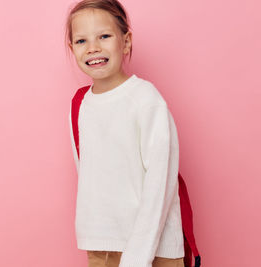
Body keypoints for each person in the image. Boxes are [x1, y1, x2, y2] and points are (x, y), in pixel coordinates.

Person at [66, 1, 185, 266]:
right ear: (72, 49)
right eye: (82, 40)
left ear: (126, 41)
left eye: (104, 36)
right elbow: (88, 176)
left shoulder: (145, 99)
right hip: (101, 244)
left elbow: (160, 183)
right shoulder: (79, 105)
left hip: (155, 248)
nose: (93, 47)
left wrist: (137, 256)